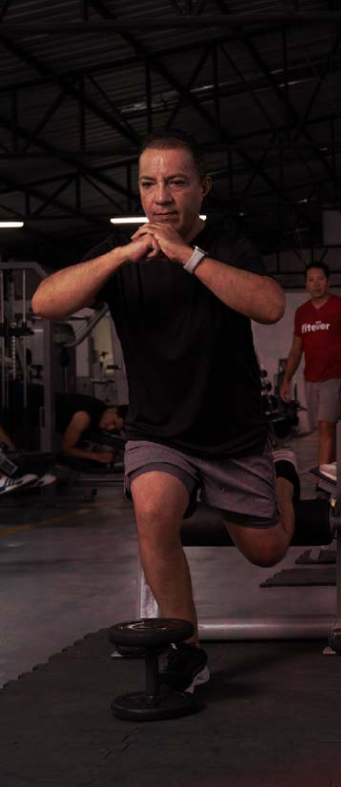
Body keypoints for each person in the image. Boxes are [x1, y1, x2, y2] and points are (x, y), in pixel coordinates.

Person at [31, 128, 298, 695]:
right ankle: (188, 649)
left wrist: (188, 256)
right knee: (152, 510)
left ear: (203, 187)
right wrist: (123, 254)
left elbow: (272, 305)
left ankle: (285, 478)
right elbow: (44, 302)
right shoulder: (120, 253)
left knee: (267, 551)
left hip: (233, 432)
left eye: (176, 182)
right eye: (150, 184)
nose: (162, 197)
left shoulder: (227, 243)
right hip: (158, 431)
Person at [280, 261, 341, 467]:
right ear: (306, 284)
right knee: (324, 429)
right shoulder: (302, 312)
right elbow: (296, 350)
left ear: (328, 282)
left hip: (335, 377)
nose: (316, 284)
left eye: (320, 279)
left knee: (326, 427)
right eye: (311, 280)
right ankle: (333, 476)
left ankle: (322, 482)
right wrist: (286, 379)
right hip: (311, 378)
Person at [54, 392, 127, 468]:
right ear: (113, 410)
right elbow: (66, 449)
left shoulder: (99, 409)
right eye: (114, 423)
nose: (110, 428)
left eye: (115, 428)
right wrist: (97, 456)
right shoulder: (84, 417)